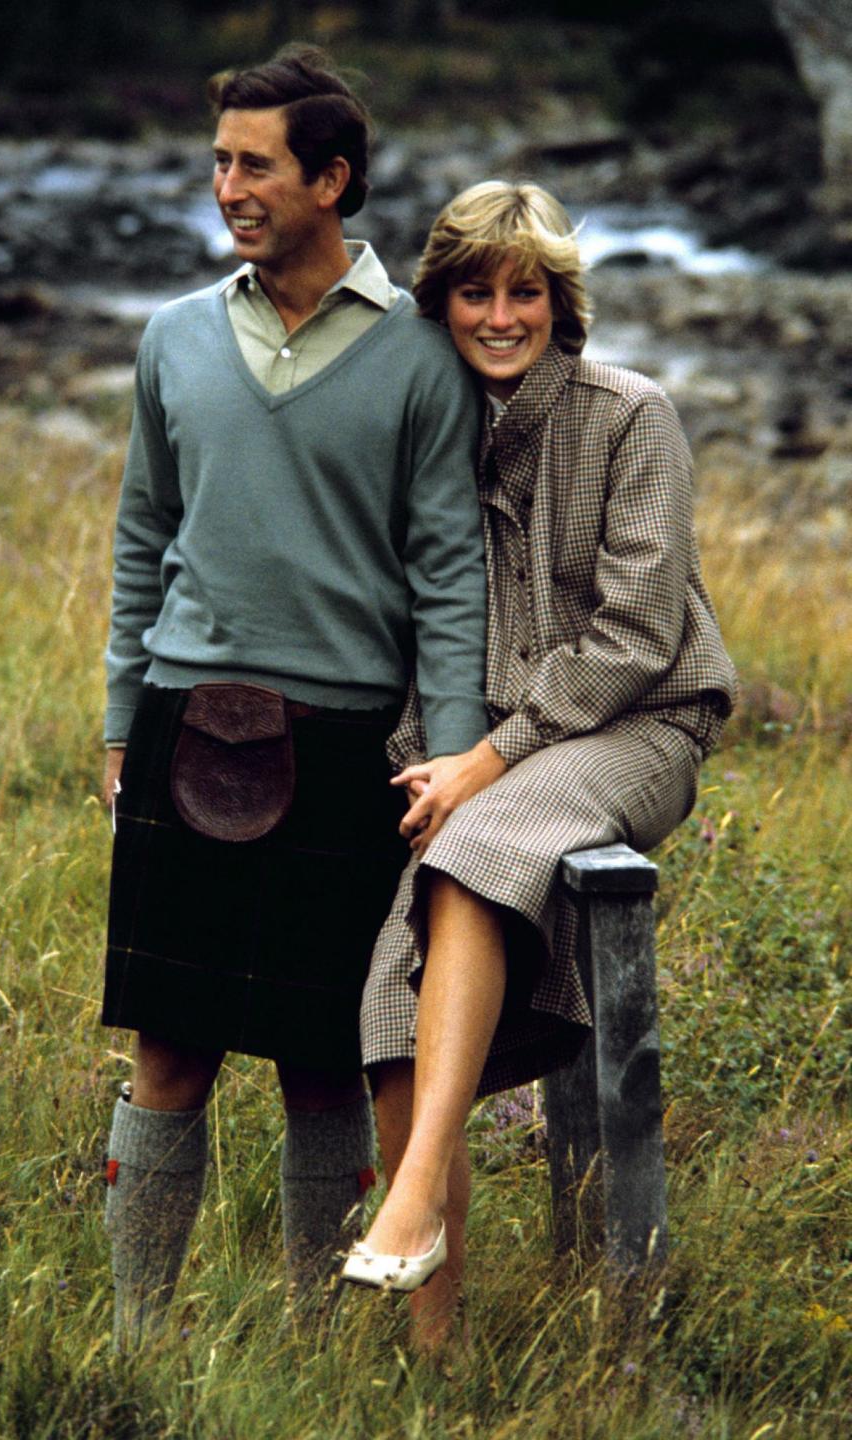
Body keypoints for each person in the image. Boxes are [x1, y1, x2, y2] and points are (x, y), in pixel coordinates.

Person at [98, 48, 490, 1349]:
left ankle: (318, 1346)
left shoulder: (421, 362)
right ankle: (138, 1342)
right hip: (185, 723)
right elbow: (141, 537)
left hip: (346, 754)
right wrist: (118, 721)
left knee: (326, 1066)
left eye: (254, 164)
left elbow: (446, 576)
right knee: (170, 1053)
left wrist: (452, 764)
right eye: (220, 162)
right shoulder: (173, 338)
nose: (227, 188)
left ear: (331, 177)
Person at [345, 180, 737, 1351]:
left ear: (563, 304)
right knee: (386, 1006)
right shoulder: (429, 431)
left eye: (526, 291)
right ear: (442, 303)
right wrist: (431, 760)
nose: (501, 316)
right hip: (482, 759)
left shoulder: (632, 414)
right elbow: (404, 622)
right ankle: (436, 1351)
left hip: (638, 728)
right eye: (476, 291)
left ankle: (406, 1201)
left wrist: (489, 759)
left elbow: (634, 636)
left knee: (478, 847)